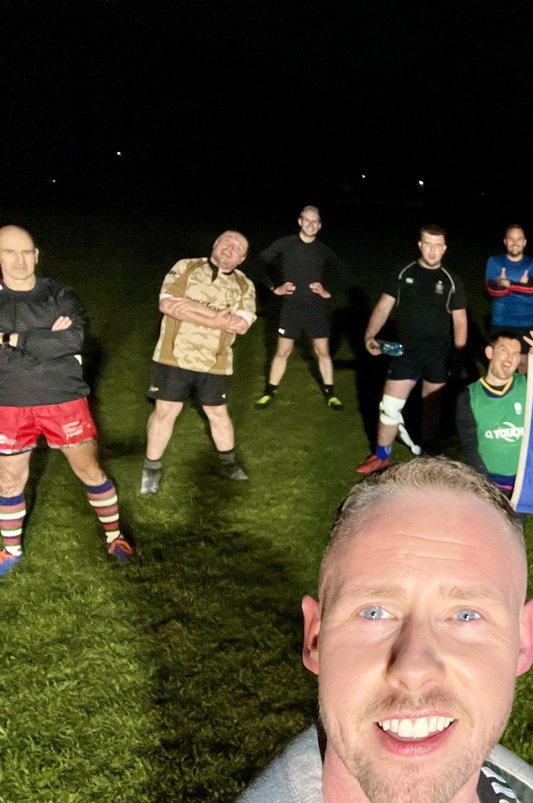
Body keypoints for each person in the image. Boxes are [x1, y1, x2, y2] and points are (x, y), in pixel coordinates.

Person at [88, 457, 533, 803]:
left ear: (524, 640)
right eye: (375, 611)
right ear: (316, 638)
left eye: (466, 615)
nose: (415, 666)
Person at [0, 225, 133, 573]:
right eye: (9, 252)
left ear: (37, 255)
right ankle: (11, 550)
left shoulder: (60, 294)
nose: (19, 260)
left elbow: (73, 340)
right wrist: (45, 342)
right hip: (9, 404)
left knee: (89, 470)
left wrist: (10, 339)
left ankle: (114, 536)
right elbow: (55, 346)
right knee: (9, 480)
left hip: (64, 399)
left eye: (26, 251)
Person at [140, 231, 257, 495]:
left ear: (242, 258)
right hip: (174, 356)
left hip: (216, 362)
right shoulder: (186, 266)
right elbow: (168, 304)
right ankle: (151, 469)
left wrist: (191, 307)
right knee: (165, 412)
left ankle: (228, 464)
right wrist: (216, 319)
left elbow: (241, 324)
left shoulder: (245, 285)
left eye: (238, 247)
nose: (230, 248)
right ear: (215, 244)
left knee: (218, 414)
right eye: (226, 242)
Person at [357, 225, 468, 473]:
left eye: (438, 245)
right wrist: (370, 335)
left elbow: (460, 321)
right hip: (405, 353)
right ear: (420, 244)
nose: (432, 250)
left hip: (438, 356)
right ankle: (382, 456)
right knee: (389, 407)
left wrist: (458, 356)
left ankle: (428, 458)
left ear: (445, 248)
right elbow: (384, 307)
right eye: (428, 243)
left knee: (432, 410)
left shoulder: (452, 281)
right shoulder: (402, 273)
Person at [254, 205, 351, 410]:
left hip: (315, 309)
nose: (311, 224)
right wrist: (274, 288)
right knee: (283, 352)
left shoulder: (322, 249)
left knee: (322, 352)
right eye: (307, 220)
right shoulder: (286, 244)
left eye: (315, 221)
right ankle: (270, 391)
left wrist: (328, 290)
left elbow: (343, 270)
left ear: (320, 225)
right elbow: (260, 262)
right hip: (291, 309)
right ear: (300, 221)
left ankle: (330, 393)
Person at [456, 329, 533, 499]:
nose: (509, 359)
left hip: (524, 482)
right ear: (489, 352)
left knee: (516, 526)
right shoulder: (469, 397)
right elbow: (470, 447)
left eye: (515, 354)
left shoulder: (530, 385)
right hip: (489, 484)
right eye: (504, 351)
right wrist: (486, 486)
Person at [484, 224, 533, 340]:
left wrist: (506, 284)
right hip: (500, 322)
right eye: (511, 239)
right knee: (501, 358)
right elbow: (493, 291)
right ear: (505, 241)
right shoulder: (494, 261)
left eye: (519, 239)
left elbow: (532, 288)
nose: (515, 243)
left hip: (526, 324)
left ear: (524, 242)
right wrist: (521, 286)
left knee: (524, 358)